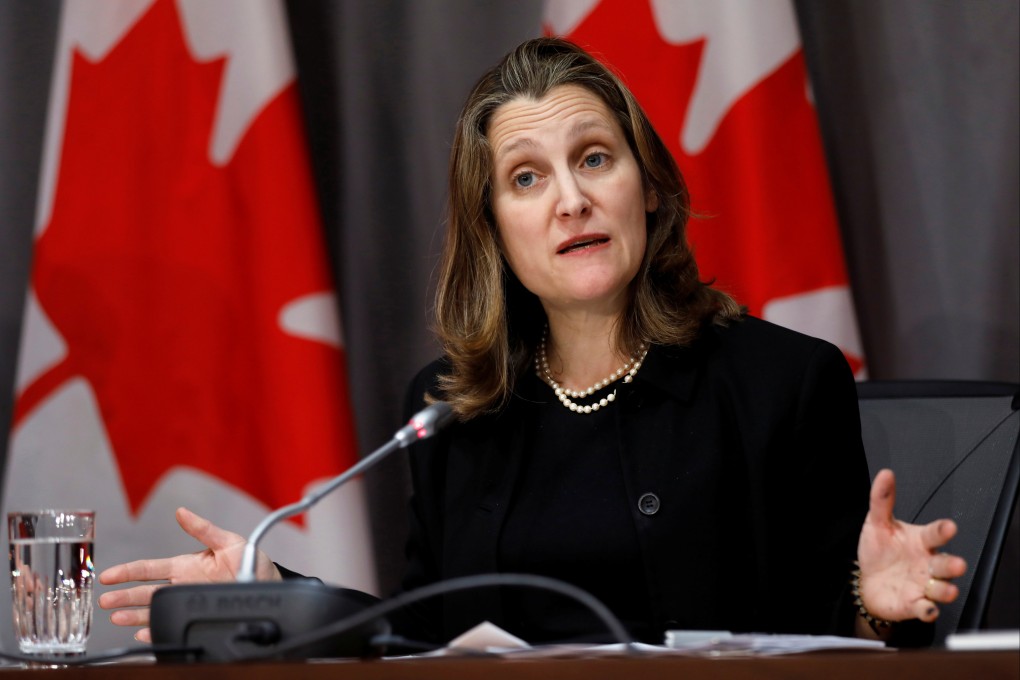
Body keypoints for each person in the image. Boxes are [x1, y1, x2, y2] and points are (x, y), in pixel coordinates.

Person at [98, 37, 967, 647]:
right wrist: (277, 595)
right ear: (495, 231)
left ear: (648, 188)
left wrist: (876, 603)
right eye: (526, 178)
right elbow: (424, 635)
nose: (570, 200)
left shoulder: (783, 380)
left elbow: (834, 636)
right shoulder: (451, 410)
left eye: (594, 159)